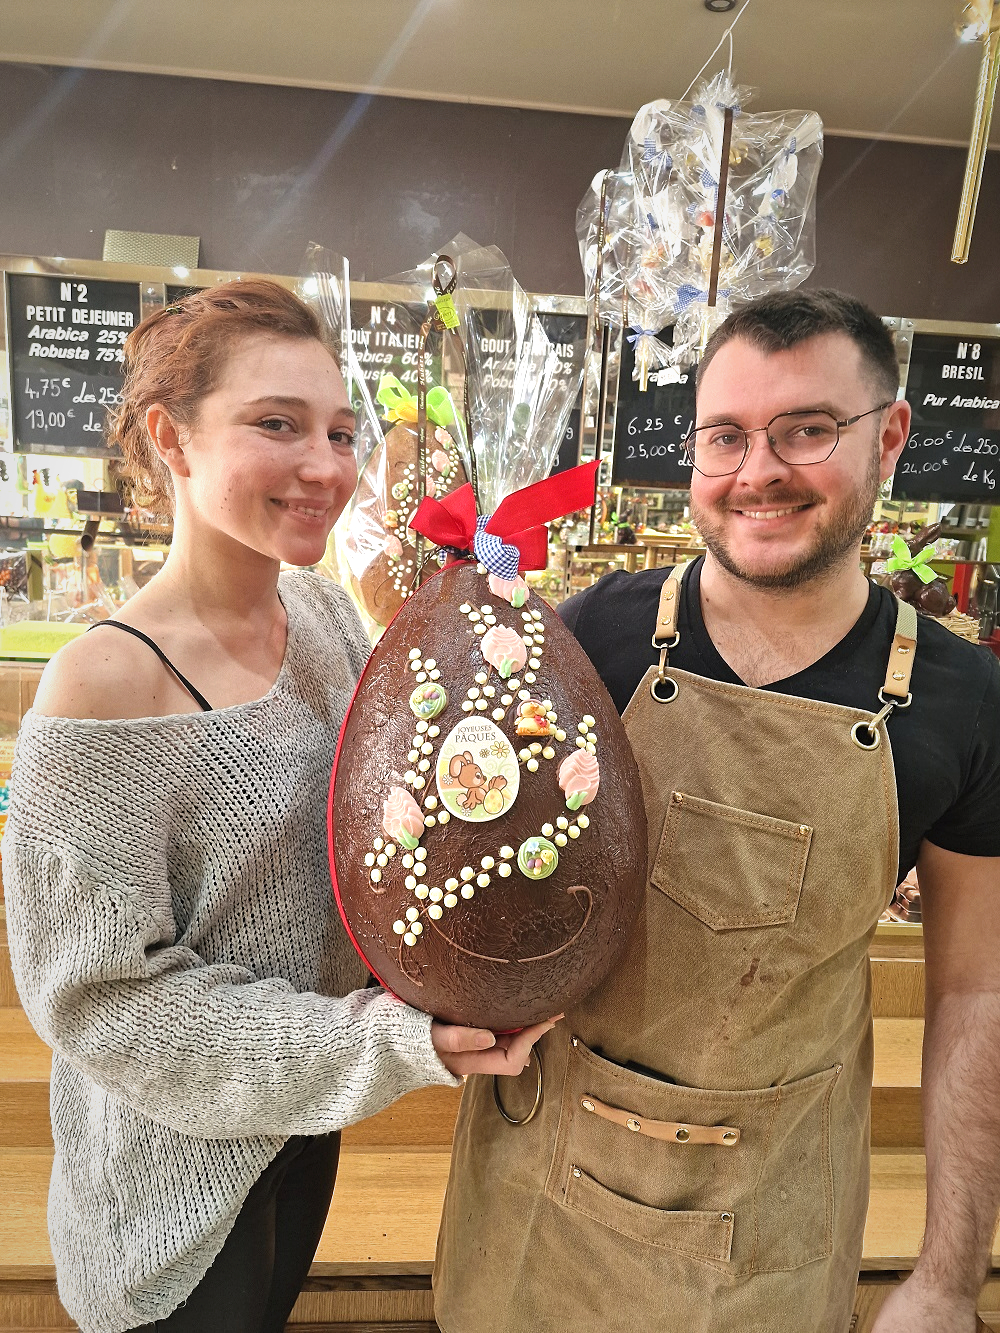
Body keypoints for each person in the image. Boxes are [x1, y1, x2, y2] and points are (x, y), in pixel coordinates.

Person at [433, 289, 1000, 1333]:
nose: (758, 472)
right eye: (726, 436)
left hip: (773, 1224)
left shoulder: (961, 701)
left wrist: (946, 1275)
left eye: (808, 430)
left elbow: (976, 995)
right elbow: (472, 873)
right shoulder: (583, 640)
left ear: (892, 436)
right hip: (539, 1189)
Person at [2, 280, 554, 1333]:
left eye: (340, 432)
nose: (327, 466)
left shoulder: (318, 616)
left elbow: (383, 822)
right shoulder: (101, 686)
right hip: (167, 1191)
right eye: (277, 424)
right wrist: (388, 1044)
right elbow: (102, 1003)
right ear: (171, 437)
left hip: (302, 1122)